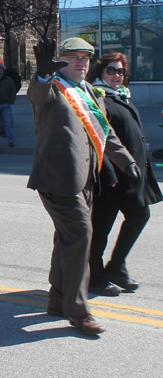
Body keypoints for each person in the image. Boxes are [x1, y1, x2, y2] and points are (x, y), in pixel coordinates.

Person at [27, 38, 141, 335]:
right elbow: (36, 95)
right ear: (60, 60)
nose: (81, 62)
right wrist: (41, 75)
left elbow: (105, 130)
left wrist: (125, 161)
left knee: (67, 236)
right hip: (56, 177)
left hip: (85, 177)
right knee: (81, 234)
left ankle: (57, 297)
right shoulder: (52, 86)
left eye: (86, 58)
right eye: (74, 57)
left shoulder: (90, 91)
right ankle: (78, 310)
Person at [86, 53, 163, 296]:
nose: (117, 75)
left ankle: (117, 266)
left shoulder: (120, 96)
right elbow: (99, 139)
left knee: (140, 215)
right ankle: (94, 278)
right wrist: (108, 175)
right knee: (99, 230)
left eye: (121, 71)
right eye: (111, 70)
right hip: (111, 177)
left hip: (130, 174)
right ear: (100, 73)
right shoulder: (97, 98)